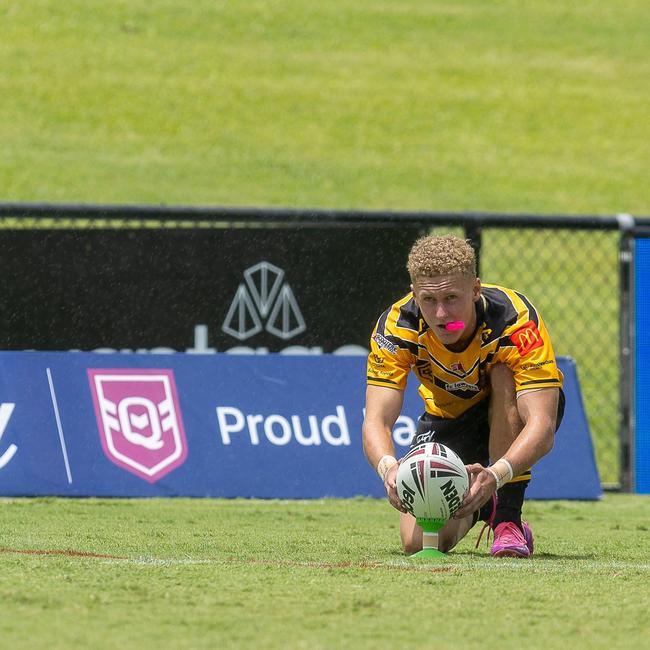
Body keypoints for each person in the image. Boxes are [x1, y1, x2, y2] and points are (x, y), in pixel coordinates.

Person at [362, 234, 564, 558]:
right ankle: (480, 505)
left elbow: (542, 424)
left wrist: (496, 476)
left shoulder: (515, 320)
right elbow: (376, 419)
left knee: (502, 370)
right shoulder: (396, 326)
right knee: (418, 543)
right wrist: (387, 468)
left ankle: (507, 519)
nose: (442, 314)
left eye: (453, 298)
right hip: (449, 418)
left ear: (475, 290)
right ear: (414, 294)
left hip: (510, 407)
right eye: (428, 300)